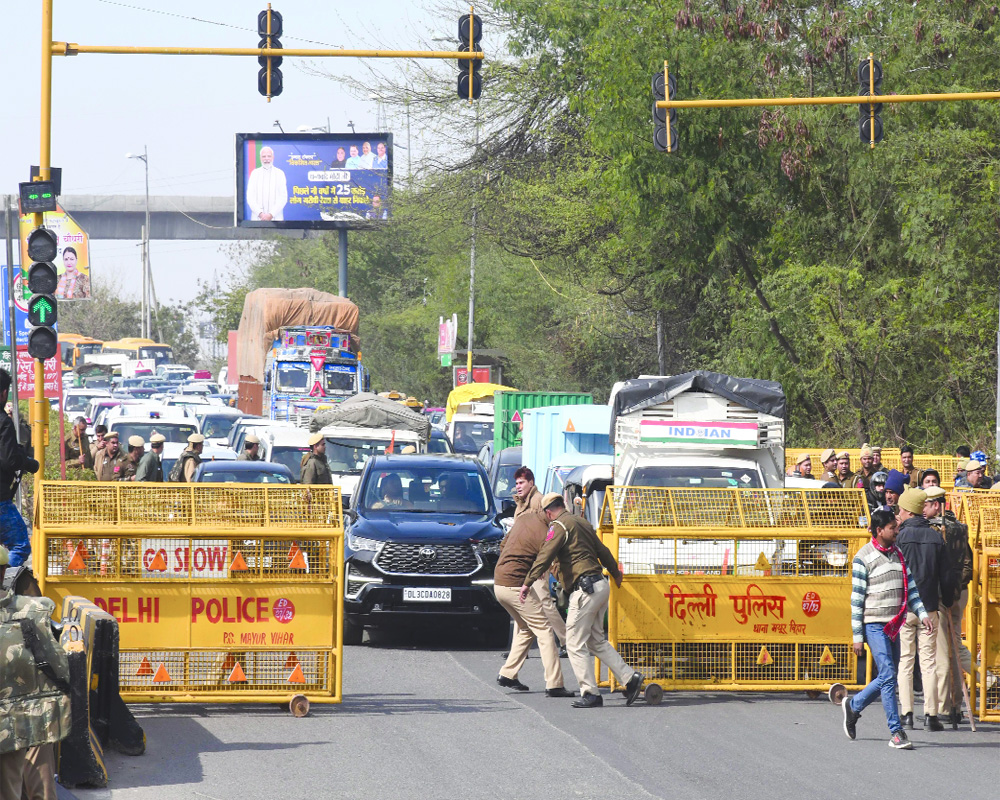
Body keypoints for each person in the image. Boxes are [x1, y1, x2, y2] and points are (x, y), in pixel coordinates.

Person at [520, 493, 643, 708]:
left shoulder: (559, 525)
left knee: (574, 642)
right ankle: (630, 679)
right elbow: (602, 551)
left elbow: (545, 555)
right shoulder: (582, 522)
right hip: (600, 586)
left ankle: (590, 693)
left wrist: (527, 582)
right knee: (596, 641)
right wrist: (615, 572)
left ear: (549, 512)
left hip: (584, 590)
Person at [841, 508, 931, 750]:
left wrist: (923, 615)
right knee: (889, 675)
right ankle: (896, 730)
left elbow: (911, 590)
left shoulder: (898, 555)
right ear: (879, 530)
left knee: (886, 676)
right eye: (893, 527)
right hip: (874, 625)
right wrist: (857, 637)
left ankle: (854, 705)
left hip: (895, 624)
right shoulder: (862, 558)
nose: (896, 531)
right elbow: (857, 601)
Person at [494, 508, 573, 697]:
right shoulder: (545, 532)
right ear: (550, 513)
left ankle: (508, 674)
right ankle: (554, 684)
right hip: (515, 584)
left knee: (526, 627)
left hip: (499, 582)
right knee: (545, 630)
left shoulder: (523, 519)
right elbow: (549, 562)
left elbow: (503, 545)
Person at [896, 488, 951, 732]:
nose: (898, 513)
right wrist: (947, 600)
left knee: (906, 660)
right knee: (928, 662)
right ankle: (931, 715)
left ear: (908, 510)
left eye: (900, 509)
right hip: (929, 608)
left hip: (905, 607)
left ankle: (907, 713)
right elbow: (946, 574)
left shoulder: (900, 537)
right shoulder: (936, 537)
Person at [924, 485, 973, 726]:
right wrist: (955, 589)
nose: (923, 508)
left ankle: (945, 705)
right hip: (957, 593)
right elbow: (968, 564)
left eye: (926, 503)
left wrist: (944, 592)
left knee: (943, 651)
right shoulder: (959, 527)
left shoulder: (936, 530)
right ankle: (956, 704)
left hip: (943, 596)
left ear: (937, 504)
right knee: (954, 647)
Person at [512, 467, 567, 654]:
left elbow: (548, 532)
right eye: (516, 483)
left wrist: (545, 562)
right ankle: (519, 650)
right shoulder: (522, 502)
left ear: (531, 483)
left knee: (543, 601)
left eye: (521, 483)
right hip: (523, 558)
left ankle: (566, 641)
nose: (517, 487)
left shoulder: (538, 501)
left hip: (536, 560)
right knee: (520, 601)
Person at [0, 369, 39, 567]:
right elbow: (10, 461)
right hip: (0, 501)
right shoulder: (3, 423)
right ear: (4, 393)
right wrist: (28, 463)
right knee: (20, 545)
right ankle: (3, 588)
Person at [246, 146, 288, 221]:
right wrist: (260, 214)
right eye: (264, 156)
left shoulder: (280, 173)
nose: (266, 159)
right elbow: (250, 197)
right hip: (257, 219)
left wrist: (271, 214)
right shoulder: (255, 173)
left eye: (269, 156)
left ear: (273, 157)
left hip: (276, 220)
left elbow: (283, 197)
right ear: (260, 158)